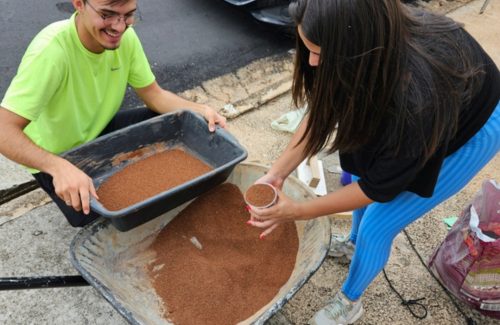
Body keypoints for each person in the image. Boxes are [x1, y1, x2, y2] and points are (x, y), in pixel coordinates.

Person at [246, 0, 500, 324]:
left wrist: (297, 211)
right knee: (354, 167)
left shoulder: (415, 99)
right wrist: (276, 174)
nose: (311, 61)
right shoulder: (363, 45)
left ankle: (349, 302)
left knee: (378, 224)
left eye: (320, 54)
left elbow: (378, 188)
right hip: (424, 104)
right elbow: (319, 113)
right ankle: (352, 245)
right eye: (308, 49)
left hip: (477, 125)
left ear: (357, 51)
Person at [0, 0, 226, 227]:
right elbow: (3, 129)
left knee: (178, 124)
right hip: (59, 151)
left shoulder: (126, 38)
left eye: (128, 15)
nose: (119, 27)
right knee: (88, 216)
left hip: (99, 127)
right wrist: (57, 167)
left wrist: (200, 110)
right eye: (107, 15)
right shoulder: (51, 52)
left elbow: (154, 95)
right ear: (79, 3)